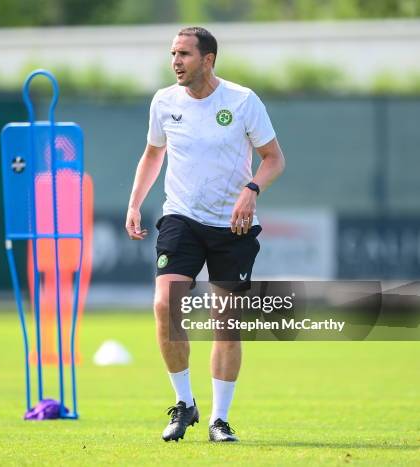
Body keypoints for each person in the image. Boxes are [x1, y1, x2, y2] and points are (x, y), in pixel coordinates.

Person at [126, 27, 285, 442]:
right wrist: (134, 202)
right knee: (165, 304)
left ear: (208, 59)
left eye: (184, 54)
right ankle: (184, 404)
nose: (176, 61)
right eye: (173, 54)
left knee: (226, 324)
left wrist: (251, 191)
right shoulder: (164, 101)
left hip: (232, 226)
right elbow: (152, 153)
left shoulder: (243, 101)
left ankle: (219, 419)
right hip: (181, 217)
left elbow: (273, 159)